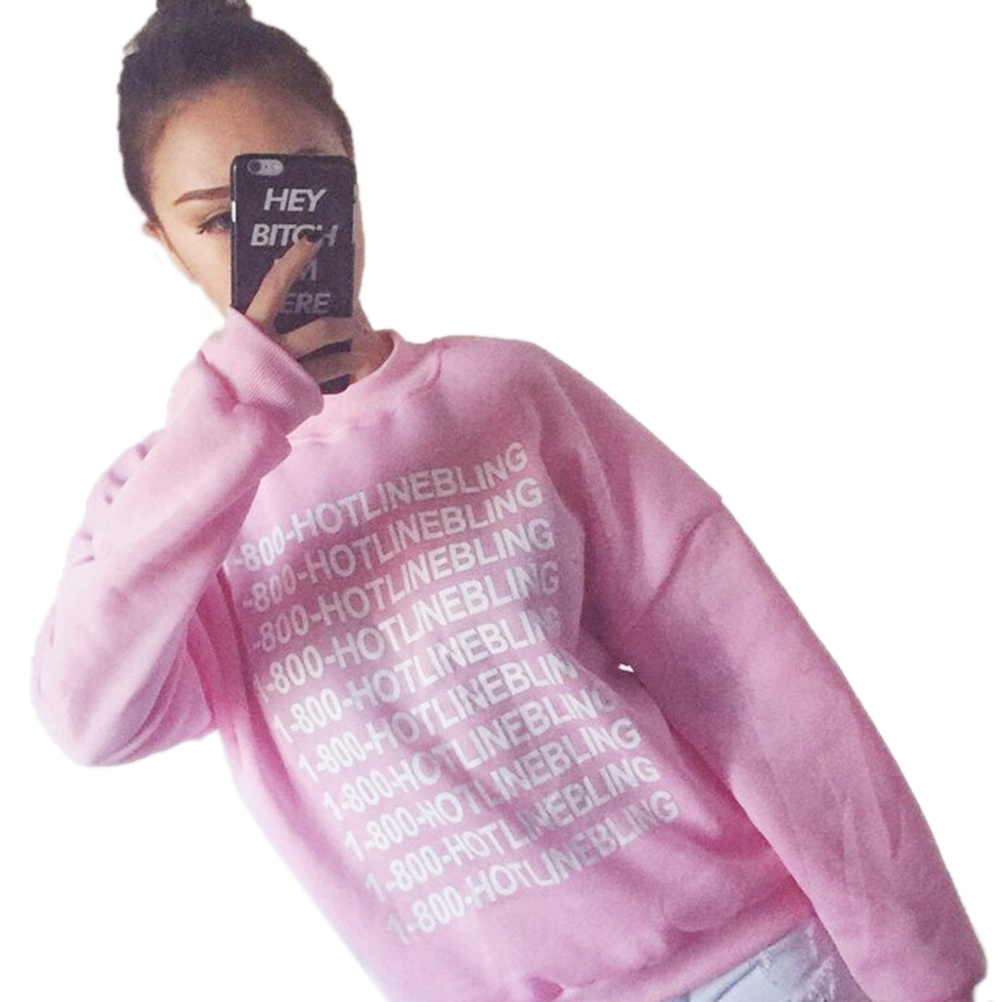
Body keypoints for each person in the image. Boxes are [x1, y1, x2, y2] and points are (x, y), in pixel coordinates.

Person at [30, 2, 986, 1001]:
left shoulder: (507, 394)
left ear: (352, 181)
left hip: (755, 966)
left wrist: (920, 967)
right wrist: (234, 420)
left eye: (300, 190)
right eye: (220, 220)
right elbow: (92, 720)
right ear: (164, 242)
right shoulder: (160, 504)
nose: (274, 246)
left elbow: (751, 674)